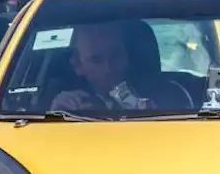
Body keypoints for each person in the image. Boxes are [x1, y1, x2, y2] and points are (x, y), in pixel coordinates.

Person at [49, 23, 185, 111]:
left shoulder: (171, 96)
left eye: (115, 55)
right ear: (78, 65)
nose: (109, 68)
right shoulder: (63, 105)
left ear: (128, 55)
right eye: (96, 60)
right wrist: (56, 115)